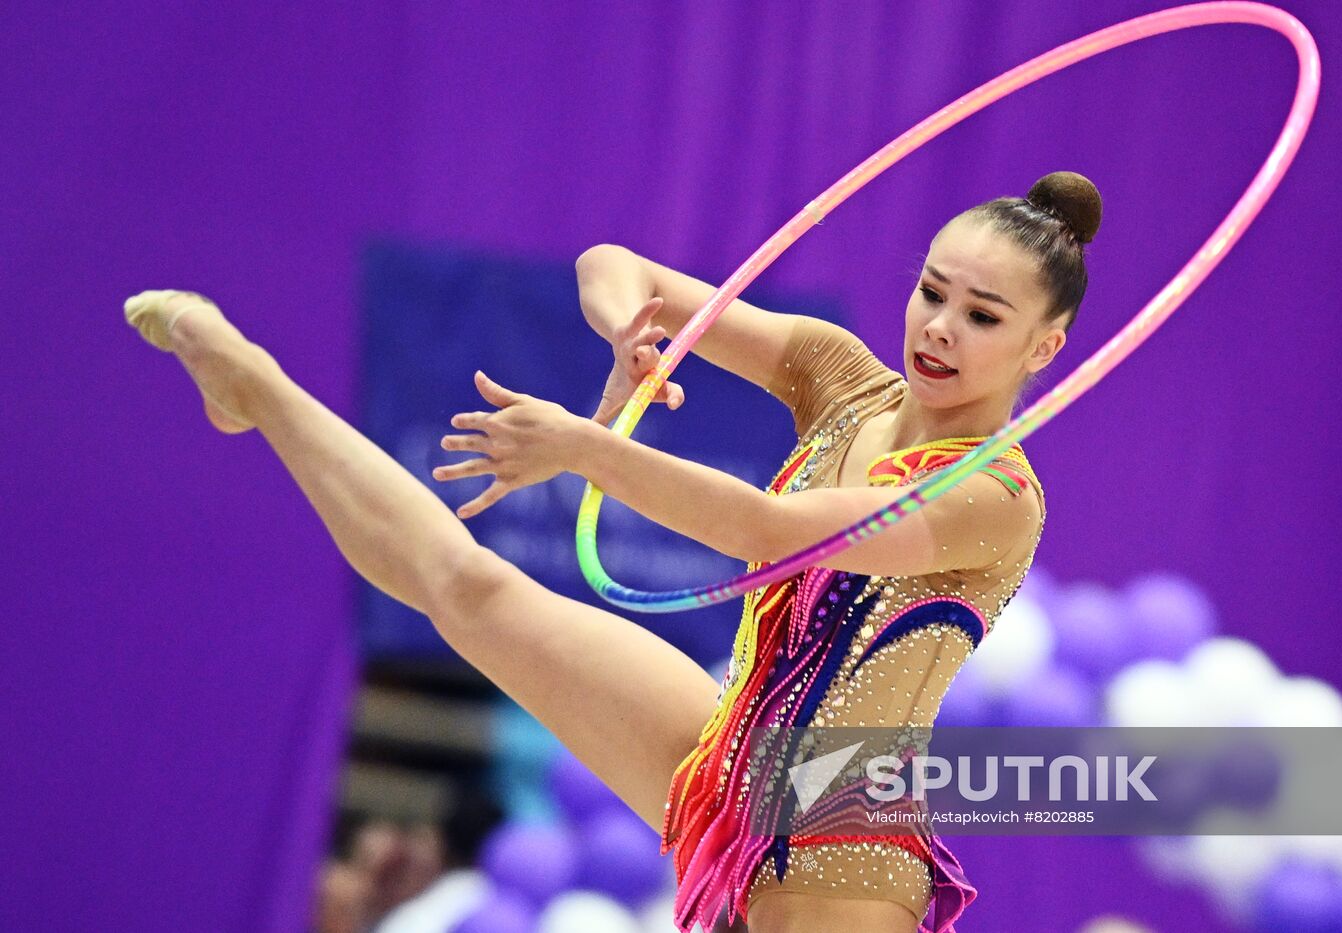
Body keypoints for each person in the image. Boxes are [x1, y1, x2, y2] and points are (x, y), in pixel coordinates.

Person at [123, 169, 1099, 933]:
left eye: (981, 316)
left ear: (1042, 348)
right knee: (467, 588)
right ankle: (253, 383)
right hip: (729, 756)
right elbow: (613, 263)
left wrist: (588, 449)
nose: (937, 328)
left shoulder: (993, 500)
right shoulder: (840, 378)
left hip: (836, 833)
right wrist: (630, 334)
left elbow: (769, 537)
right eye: (932, 292)